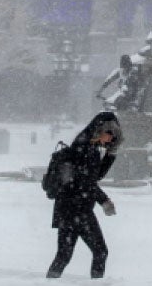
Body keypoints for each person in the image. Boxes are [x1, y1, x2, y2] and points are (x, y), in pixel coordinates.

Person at [47, 111, 122, 279]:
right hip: (77, 209)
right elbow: (85, 182)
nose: (111, 138)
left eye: (114, 135)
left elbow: (95, 176)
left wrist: (111, 154)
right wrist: (104, 201)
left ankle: (50, 280)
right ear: (99, 129)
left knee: (64, 255)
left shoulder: (87, 145)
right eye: (109, 133)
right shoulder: (85, 148)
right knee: (100, 251)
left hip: (68, 208)